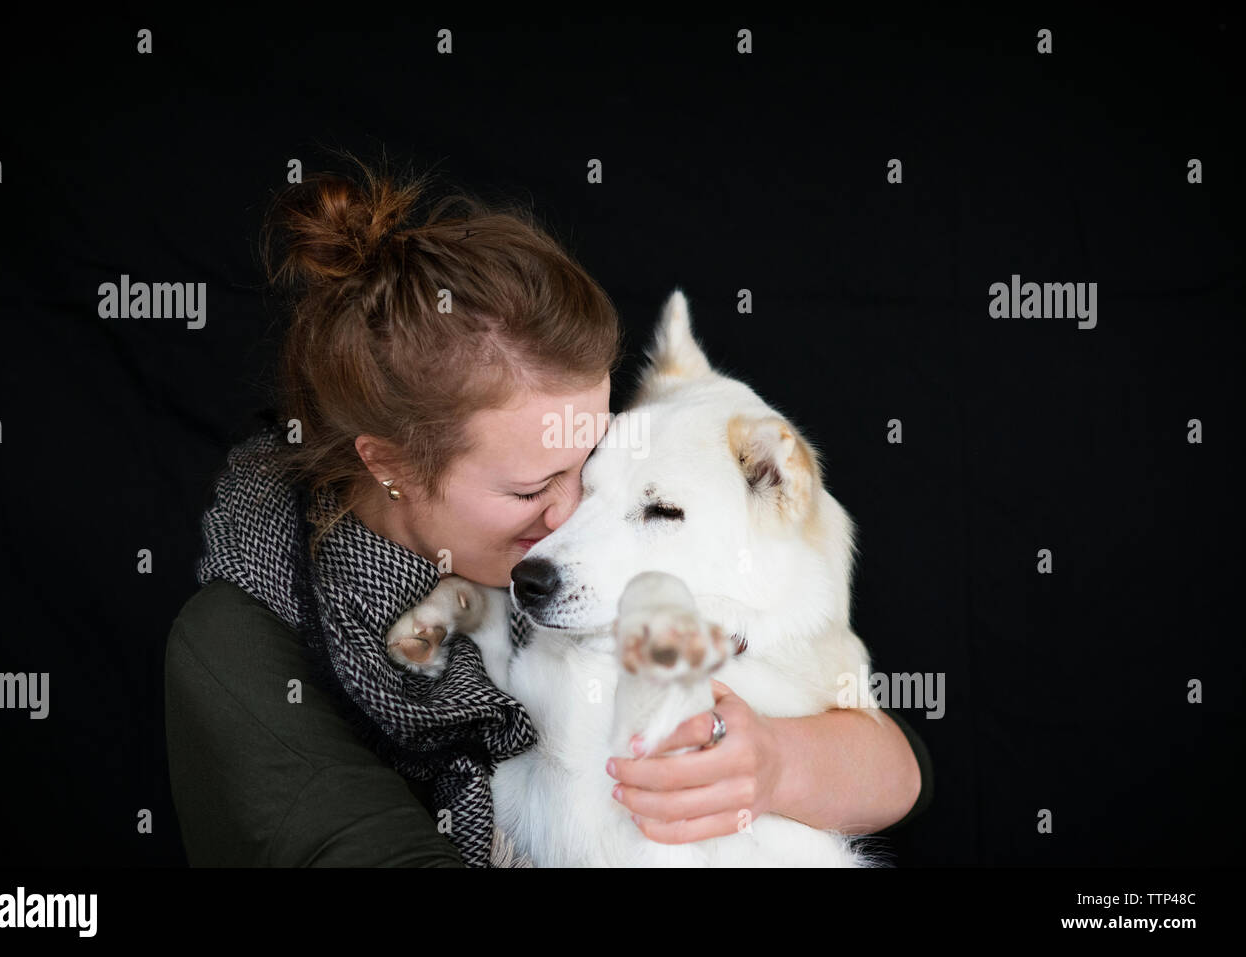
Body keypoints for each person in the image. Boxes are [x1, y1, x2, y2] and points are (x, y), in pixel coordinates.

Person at [163, 152, 933, 867]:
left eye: (589, 466)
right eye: (532, 490)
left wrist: (775, 764)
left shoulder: (586, 556)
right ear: (389, 463)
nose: (572, 517)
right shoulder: (243, 645)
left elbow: (896, 764)